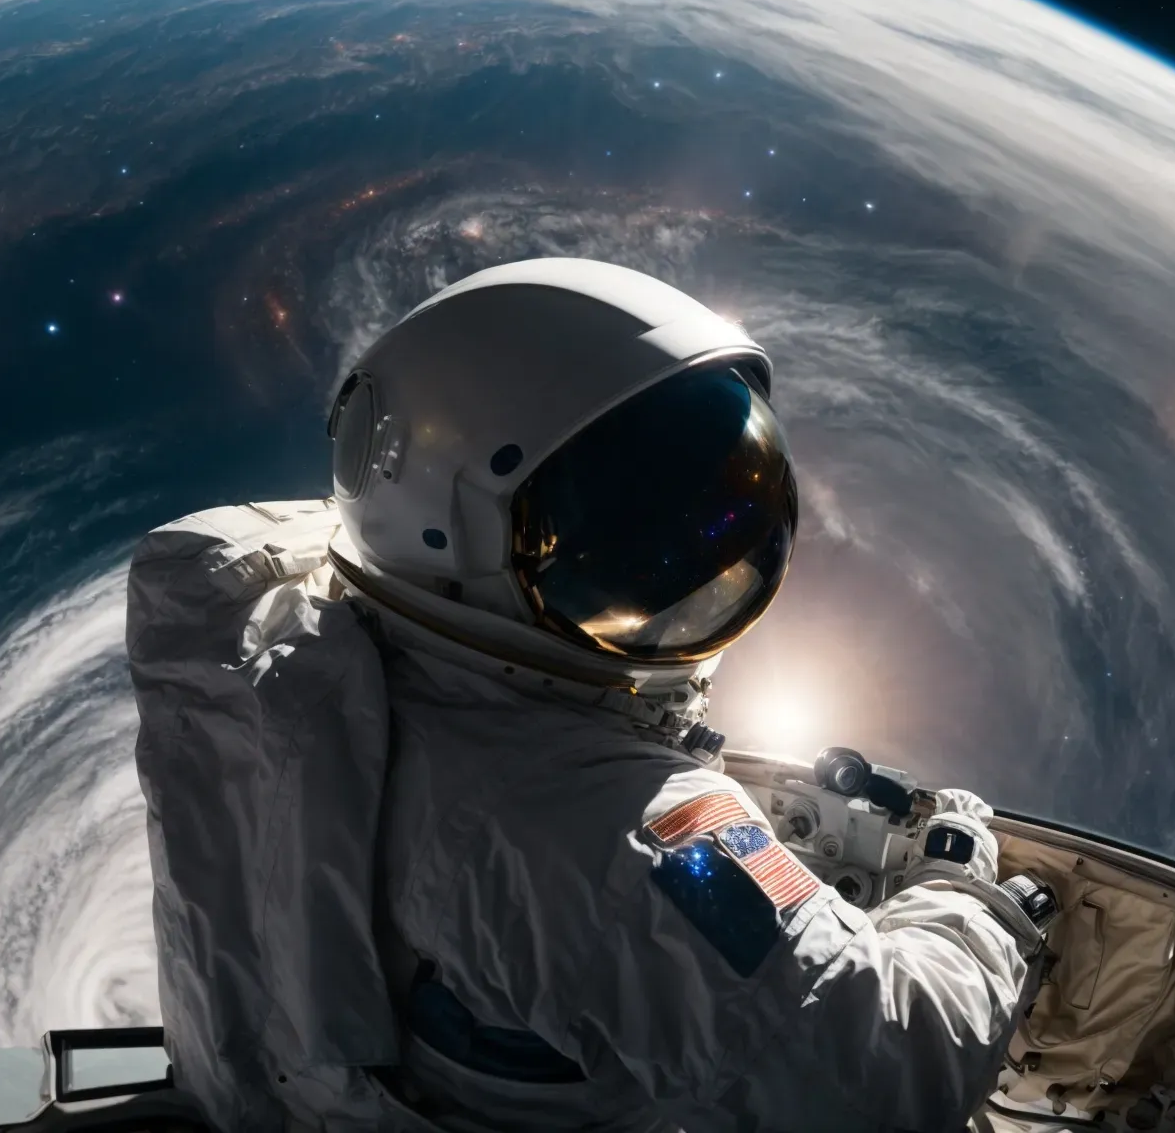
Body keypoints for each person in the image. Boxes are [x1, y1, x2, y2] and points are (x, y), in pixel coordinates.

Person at [127, 258, 1044, 1132]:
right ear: (458, 547)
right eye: (624, 543)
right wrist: (961, 888)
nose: (701, 558)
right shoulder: (590, 826)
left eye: (725, 503)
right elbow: (886, 1082)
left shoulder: (301, 641)